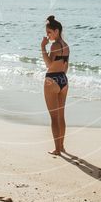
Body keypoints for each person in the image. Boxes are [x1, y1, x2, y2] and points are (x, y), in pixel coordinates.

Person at [41, 14, 69, 156]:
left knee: (53, 118)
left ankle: (57, 149)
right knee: (61, 116)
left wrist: (42, 48)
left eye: (49, 32)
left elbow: (49, 64)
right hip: (63, 80)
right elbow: (65, 67)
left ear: (56, 31)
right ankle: (62, 146)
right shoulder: (66, 46)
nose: (48, 36)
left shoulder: (54, 46)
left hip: (51, 80)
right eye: (47, 33)